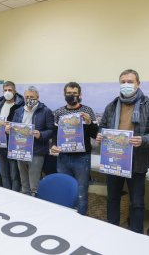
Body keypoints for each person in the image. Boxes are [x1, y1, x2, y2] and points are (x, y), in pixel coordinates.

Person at [95, 69, 149, 233]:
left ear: (138, 84)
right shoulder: (112, 106)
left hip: (137, 163)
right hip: (114, 160)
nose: (126, 85)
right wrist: (101, 135)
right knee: (112, 198)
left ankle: (136, 233)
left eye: (130, 81)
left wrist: (143, 139)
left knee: (137, 202)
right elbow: (103, 125)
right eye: (123, 81)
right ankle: (113, 229)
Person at [50, 82, 98, 215]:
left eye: (75, 93)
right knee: (64, 188)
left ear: (80, 94)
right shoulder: (59, 112)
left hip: (81, 158)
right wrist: (53, 144)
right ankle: (65, 216)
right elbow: (55, 133)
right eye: (69, 93)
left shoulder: (87, 111)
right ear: (64, 94)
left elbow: (95, 134)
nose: (72, 96)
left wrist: (89, 123)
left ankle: (80, 218)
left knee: (82, 191)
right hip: (63, 156)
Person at [11, 86, 54, 195]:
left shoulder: (46, 111)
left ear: (38, 97)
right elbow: (14, 128)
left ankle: (36, 205)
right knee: (24, 183)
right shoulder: (18, 111)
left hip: (36, 151)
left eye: (32, 97)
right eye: (27, 97)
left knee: (34, 185)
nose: (29, 99)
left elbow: (51, 131)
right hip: (20, 150)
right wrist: (9, 130)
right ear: (24, 98)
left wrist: (40, 134)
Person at [0, 81, 24, 191]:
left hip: (14, 143)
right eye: (5, 90)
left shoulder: (21, 105)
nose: (7, 92)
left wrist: (12, 126)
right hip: (0, 143)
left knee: (14, 174)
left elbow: (24, 124)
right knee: (3, 173)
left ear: (14, 91)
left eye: (10, 90)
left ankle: (14, 195)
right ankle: (6, 193)